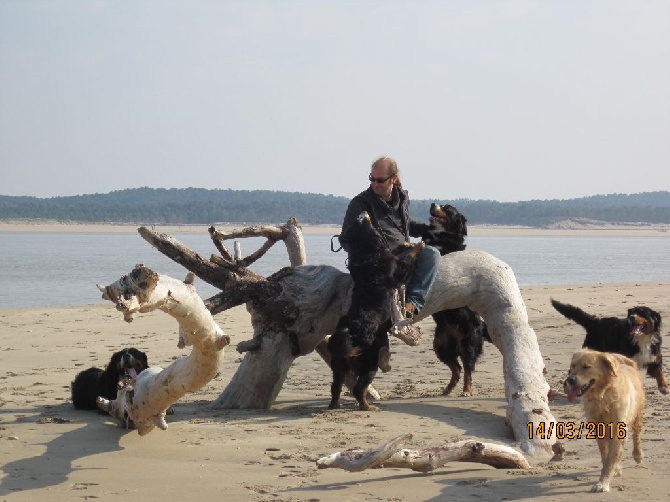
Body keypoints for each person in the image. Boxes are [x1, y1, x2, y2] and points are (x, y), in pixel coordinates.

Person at [340, 156, 441, 320]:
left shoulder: (402, 198)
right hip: (378, 263)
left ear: (393, 179)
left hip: (403, 254)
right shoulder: (360, 203)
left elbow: (405, 225)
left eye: (380, 180)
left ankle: (413, 303)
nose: (375, 184)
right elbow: (345, 239)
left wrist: (431, 229)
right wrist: (372, 257)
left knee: (432, 254)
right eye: (372, 179)